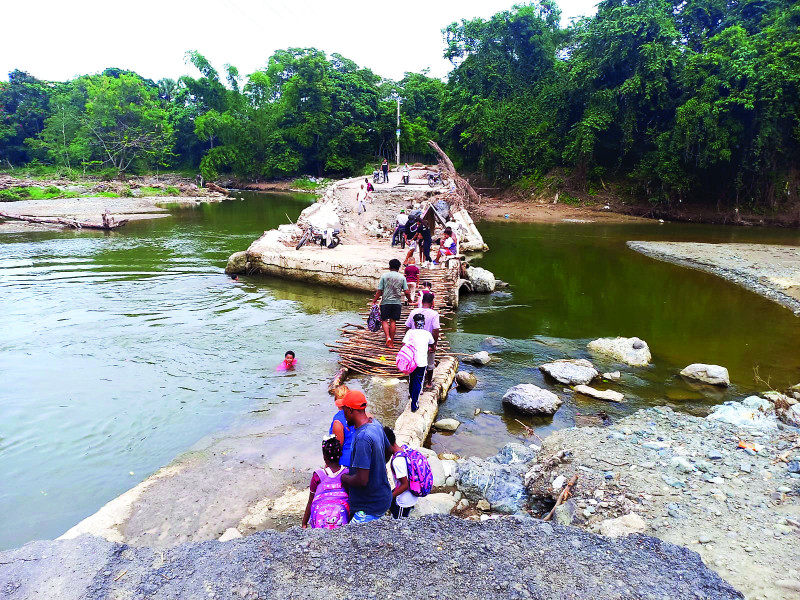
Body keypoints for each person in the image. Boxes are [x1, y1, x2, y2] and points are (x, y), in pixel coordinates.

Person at [340, 390, 392, 523]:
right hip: (382, 497)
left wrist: (344, 477)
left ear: (351, 410)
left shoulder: (363, 438)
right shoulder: (375, 424)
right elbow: (389, 450)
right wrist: (377, 467)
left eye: (344, 410)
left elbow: (362, 480)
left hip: (368, 507)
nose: (343, 414)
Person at [301, 435, 349, 529]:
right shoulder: (347, 473)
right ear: (340, 455)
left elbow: (310, 501)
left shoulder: (318, 475)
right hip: (341, 519)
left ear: (324, 457)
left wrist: (304, 523)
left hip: (321, 520)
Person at [372, 259, 412, 348]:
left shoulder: (384, 276)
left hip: (385, 302)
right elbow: (406, 291)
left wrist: (374, 300)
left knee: (384, 320)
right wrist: (409, 300)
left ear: (389, 267)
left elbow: (379, 291)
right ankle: (392, 342)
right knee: (393, 321)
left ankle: (387, 337)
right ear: (399, 267)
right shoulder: (402, 277)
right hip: (396, 302)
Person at [401, 313, 435, 411]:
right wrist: (428, 348)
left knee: (412, 379)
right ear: (423, 323)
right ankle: (414, 404)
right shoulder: (427, 334)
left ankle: (412, 396)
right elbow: (432, 345)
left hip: (411, 361)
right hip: (422, 362)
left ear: (414, 323)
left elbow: (404, 345)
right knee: (418, 382)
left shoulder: (410, 332)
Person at [406, 292, 439, 388]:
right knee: (430, 363)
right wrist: (434, 344)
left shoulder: (414, 312)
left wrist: (408, 340)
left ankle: (412, 384)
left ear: (422, 300)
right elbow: (436, 330)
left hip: (415, 342)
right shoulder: (434, 314)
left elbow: (407, 327)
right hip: (427, 342)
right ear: (432, 302)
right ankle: (428, 383)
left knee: (414, 362)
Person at [384, 426, 417, 518]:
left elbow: (405, 485)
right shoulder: (404, 448)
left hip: (404, 502)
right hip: (411, 493)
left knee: (398, 524)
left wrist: (389, 497)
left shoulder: (397, 461)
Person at [329, 386, 355, 468]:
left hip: (345, 463)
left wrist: (327, 467)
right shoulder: (360, 414)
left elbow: (336, 449)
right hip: (361, 460)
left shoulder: (338, 421)